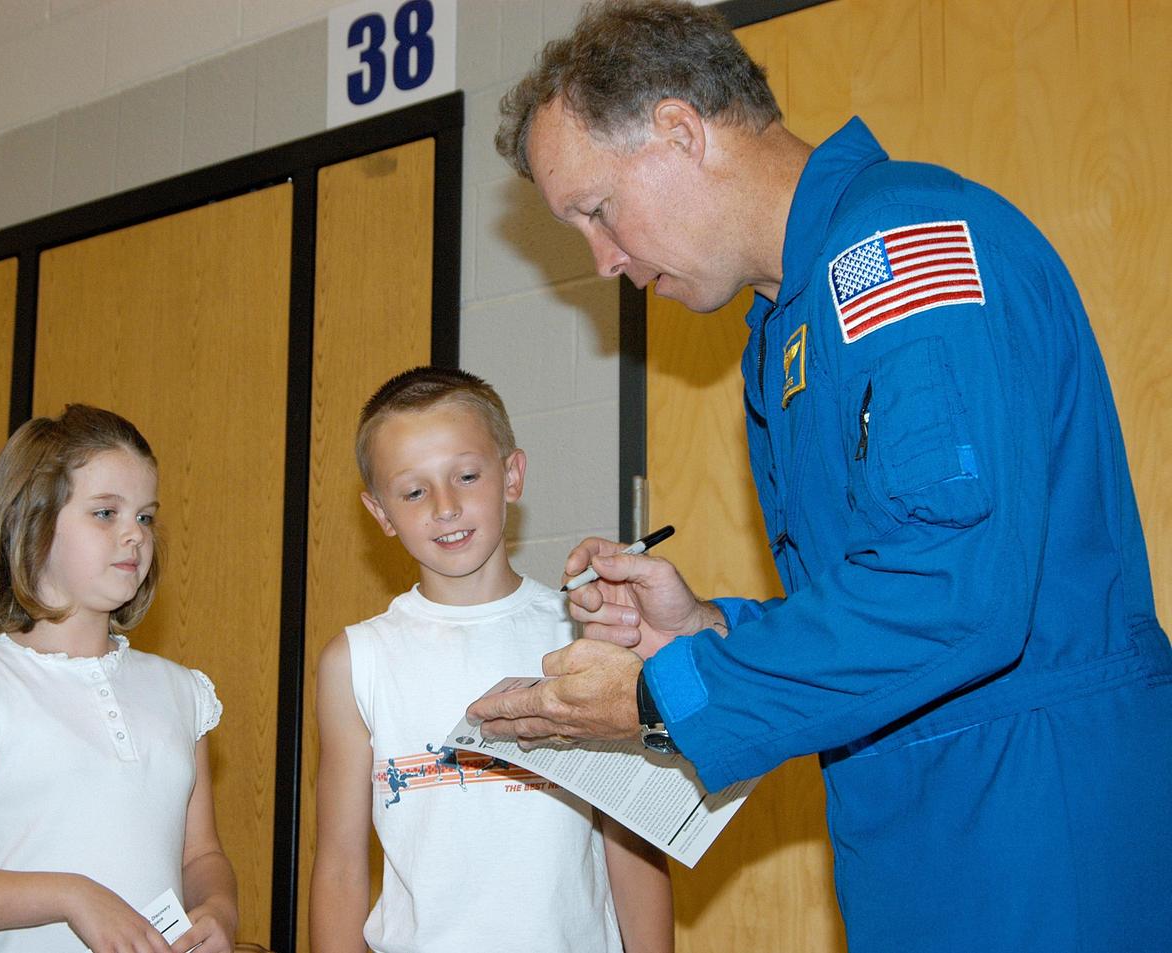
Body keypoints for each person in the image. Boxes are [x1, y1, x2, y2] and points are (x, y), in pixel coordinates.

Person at [466, 2, 1172, 952]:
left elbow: (955, 590)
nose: (605, 261)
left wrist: (661, 697)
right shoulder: (790, 321)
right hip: (929, 826)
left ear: (681, 130)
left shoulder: (893, 252)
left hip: (1034, 823)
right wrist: (708, 629)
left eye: (597, 211)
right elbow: (878, 593)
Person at [309, 366, 672, 953]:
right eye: (414, 491)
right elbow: (340, 866)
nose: (445, 507)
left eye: (467, 476)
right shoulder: (356, 659)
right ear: (380, 513)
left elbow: (632, 841)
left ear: (511, 475)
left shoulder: (585, 633)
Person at [0, 404, 236, 953]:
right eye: (106, 513)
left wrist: (218, 908)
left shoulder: (181, 692)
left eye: (145, 517)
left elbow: (201, 855)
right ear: (31, 524)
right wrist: (72, 895)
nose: (135, 536)